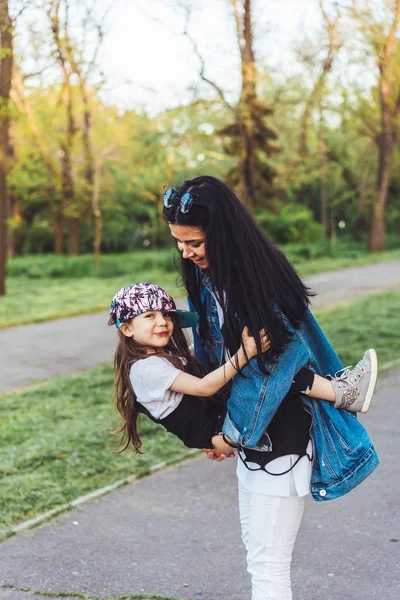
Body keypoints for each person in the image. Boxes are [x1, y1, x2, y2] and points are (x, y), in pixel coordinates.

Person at [162, 175, 379, 600]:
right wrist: (216, 425)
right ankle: (342, 390)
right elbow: (217, 357)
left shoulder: (257, 281)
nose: (186, 252)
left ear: (221, 234)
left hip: (281, 438)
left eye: (195, 242)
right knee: (260, 559)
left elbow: (269, 372)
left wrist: (229, 435)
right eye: (178, 242)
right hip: (255, 435)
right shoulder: (209, 280)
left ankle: (343, 391)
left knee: (268, 566)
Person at [109, 282, 377, 456]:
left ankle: (339, 396)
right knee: (272, 364)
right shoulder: (146, 369)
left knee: (273, 369)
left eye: (167, 315)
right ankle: (344, 393)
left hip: (218, 430)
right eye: (150, 316)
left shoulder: (159, 360)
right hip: (222, 429)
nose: (163, 322)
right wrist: (245, 353)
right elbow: (204, 388)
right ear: (127, 328)